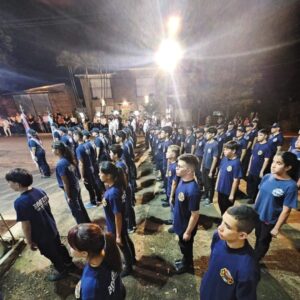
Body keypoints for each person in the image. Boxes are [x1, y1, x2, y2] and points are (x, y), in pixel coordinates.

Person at [6, 168, 74, 281]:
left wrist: (29, 241)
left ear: (17, 184)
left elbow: (26, 225)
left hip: (41, 236)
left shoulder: (20, 202)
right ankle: (68, 263)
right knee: (59, 246)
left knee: (51, 253)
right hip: (52, 227)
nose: (9, 185)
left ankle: (62, 270)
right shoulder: (39, 191)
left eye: (10, 182)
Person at [200, 205, 260, 300]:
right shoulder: (218, 237)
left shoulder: (248, 269)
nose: (220, 227)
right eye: (222, 221)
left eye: (227, 226)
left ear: (242, 235)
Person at [254, 151, 298, 262]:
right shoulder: (267, 177)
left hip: (270, 219)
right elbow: (260, 192)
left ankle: (255, 260)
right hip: (258, 215)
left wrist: (276, 228)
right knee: (258, 236)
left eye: (279, 163)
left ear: (288, 167)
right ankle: (255, 254)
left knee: (263, 240)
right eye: (273, 161)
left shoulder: (291, 186)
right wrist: (255, 207)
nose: (273, 165)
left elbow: (286, 210)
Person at [68, 223, 126, 300]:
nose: (69, 248)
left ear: (84, 253)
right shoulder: (109, 249)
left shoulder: (89, 288)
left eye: (72, 246)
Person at [100, 161, 136, 277]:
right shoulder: (117, 186)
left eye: (101, 173)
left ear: (109, 176)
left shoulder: (113, 193)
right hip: (119, 224)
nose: (98, 175)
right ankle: (132, 259)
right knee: (126, 241)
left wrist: (118, 235)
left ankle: (129, 267)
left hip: (117, 225)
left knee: (123, 244)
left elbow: (117, 215)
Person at [173, 154, 201, 274]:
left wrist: (188, 232)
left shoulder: (193, 190)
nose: (176, 168)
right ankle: (185, 260)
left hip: (186, 227)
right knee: (182, 245)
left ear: (189, 170)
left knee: (186, 247)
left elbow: (195, 214)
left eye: (179, 166)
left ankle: (188, 266)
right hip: (180, 222)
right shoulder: (182, 180)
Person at [52, 141, 91, 224]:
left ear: (58, 150)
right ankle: (87, 223)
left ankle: (82, 228)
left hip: (70, 189)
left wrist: (68, 196)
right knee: (80, 207)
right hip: (76, 186)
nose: (52, 151)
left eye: (53, 149)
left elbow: (65, 182)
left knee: (76, 211)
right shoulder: (67, 160)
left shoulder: (60, 164)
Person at [73, 130, 101, 208]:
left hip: (87, 170)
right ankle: (99, 198)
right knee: (95, 183)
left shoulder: (79, 148)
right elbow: (94, 154)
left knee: (89, 187)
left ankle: (93, 202)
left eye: (74, 135)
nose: (73, 137)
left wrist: (82, 176)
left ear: (78, 136)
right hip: (93, 167)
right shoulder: (89, 144)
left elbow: (81, 164)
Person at [215, 141, 243, 215]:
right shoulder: (224, 159)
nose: (224, 151)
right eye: (224, 149)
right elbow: (220, 172)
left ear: (233, 151)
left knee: (227, 210)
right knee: (220, 205)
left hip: (228, 191)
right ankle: (222, 221)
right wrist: (217, 185)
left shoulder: (236, 163)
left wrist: (232, 194)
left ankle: (226, 223)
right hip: (221, 188)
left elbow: (236, 180)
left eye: (227, 149)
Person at [246, 129, 272, 204]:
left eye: (260, 135)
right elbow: (251, 157)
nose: (258, 137)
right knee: (250, 183)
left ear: (265, 136)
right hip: (252, 168)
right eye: (258, 135)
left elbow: (266, 160)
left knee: (256, 185)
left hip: (258, 170)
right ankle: (250, 195)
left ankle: (254, 199)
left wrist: (262, 171)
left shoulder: (267, 147)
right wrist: (248, 168)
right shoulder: (256, 144)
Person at [163, 145, 180, 234]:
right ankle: (172, 220)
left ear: (173, 154)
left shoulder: (175, 166)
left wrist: (171, 195)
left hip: (174, 192)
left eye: (168, 152)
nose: (166, 153)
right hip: (170, 189)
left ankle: (176, 225)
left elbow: (174, 183)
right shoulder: (171, 163)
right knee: (172, 207)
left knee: (175, 208)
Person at [201, 127, 219, 206]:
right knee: (205, 182)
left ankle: (210, 199)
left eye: (208, 133)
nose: (206, 135)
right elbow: (204, 156)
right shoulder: (207, 143)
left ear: (213, 135)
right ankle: (205, 195)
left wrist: (212, 171)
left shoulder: (215, 144)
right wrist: (202, 166)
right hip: (205, 166)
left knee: (211, 184)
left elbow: (215, 159)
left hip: (210, 168)